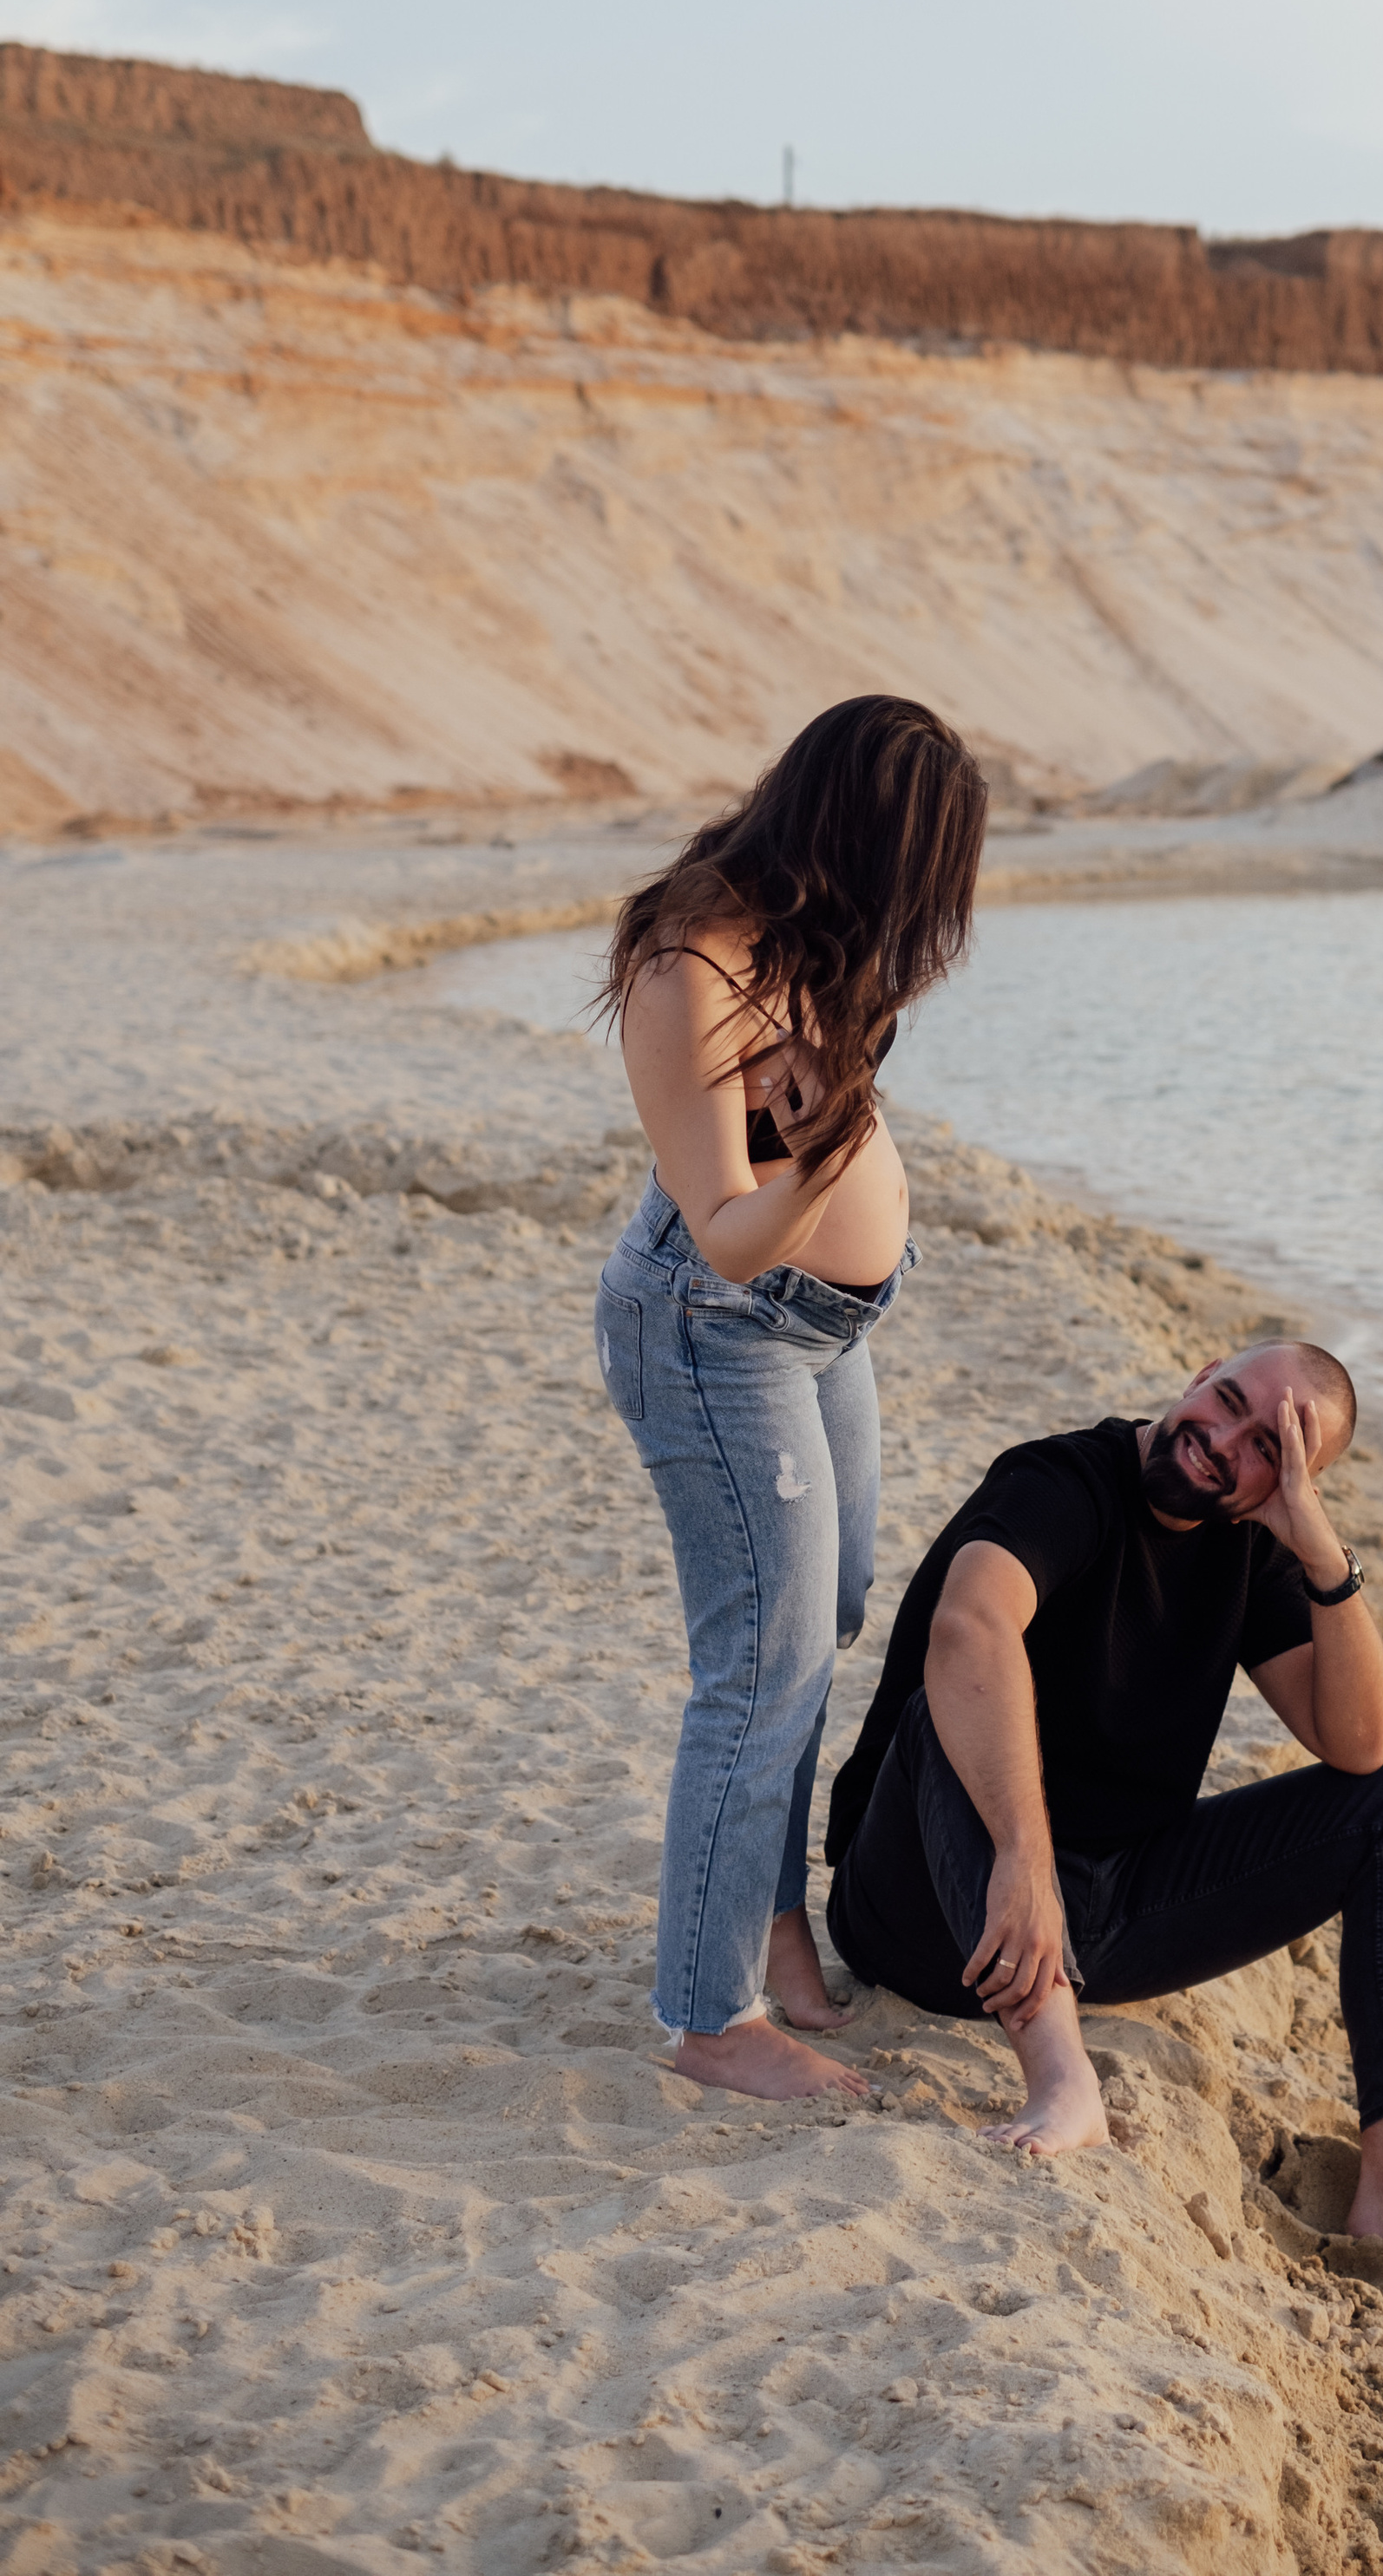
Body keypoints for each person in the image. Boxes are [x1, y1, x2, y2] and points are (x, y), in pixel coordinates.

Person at [823, 1342, 1383, 2279]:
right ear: (1199, 1374)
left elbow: (1356, 1744)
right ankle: (1062, 2084)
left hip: (1105, 1905)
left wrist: (1316, 1548)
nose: (1219, 1441)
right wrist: (1023, 1858)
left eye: (1266, 1445)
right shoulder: (1061, 1480)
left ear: (1293, 1479)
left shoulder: (1250, 1545)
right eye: (1224, 1402)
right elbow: (968, 1624)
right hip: (925, 1905)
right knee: (947, 1700)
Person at [595, 696, 988, 2102]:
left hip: (824, 1328)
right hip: (720, 1329)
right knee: (760, 1664)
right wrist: (837, 1161)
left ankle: (768, 1920)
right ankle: (713, 2021)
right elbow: (726, 1229)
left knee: (823, 1611)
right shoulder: (693, 962)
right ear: (857, 834)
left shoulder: (812, 938)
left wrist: (841, 1135)